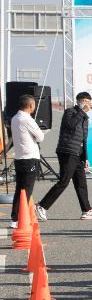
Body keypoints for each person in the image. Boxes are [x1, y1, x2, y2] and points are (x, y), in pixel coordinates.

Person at [38, 91, 92, 220]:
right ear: (78, 101)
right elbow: (70, 125)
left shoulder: (85, 117)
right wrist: (83, 111)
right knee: (64, 181)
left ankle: (86, 209)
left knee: (81, 182)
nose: (87, 104)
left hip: (77, 154)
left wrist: (85, 157)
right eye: (84, 101)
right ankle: (42, 206)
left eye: (89, 102)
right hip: (67, 151)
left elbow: (83, 139)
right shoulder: (70, 112)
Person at [9, 94, 45, 226]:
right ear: (30, 106)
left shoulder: (14, 118)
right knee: (27, 190)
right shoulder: (27, 120)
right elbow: (40, 137)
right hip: (29, 158)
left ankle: (15, 217)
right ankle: (19, 219)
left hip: (19, 158)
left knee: (20, 189)